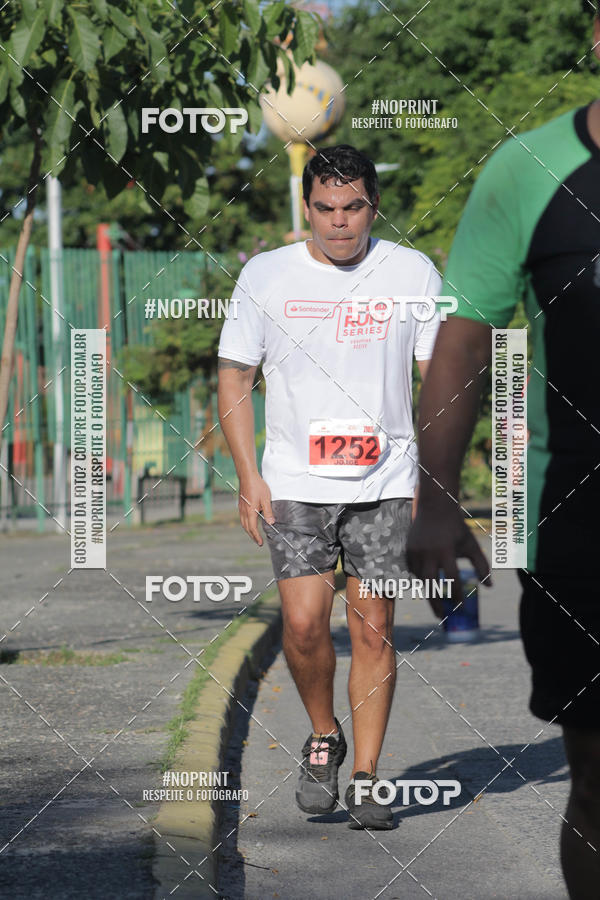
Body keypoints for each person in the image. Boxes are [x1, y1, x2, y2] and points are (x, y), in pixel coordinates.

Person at [407, 10, 600, 896]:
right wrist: (436, 501)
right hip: (582, 521)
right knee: (597, 786)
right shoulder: (524, 172)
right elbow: (464, 337)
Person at [217, 144, 441, 829]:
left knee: (373, 630)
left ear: (374, 205)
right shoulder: (266, 275)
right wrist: (248, 475)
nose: (339, 223)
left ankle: (368, 776)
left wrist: (433, 479)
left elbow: (441, 382)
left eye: (353, 208)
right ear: (306, 207)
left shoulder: (412, 271)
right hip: (293, 482)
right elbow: (234, 376)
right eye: (325, 209)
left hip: (386, 480)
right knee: (307, 625)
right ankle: (324, 735)